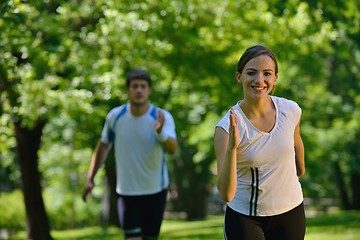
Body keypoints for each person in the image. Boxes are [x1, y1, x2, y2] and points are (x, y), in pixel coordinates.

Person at [214, 45, 306, 240]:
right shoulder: (225, 128)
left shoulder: (290, 110)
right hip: (246, 218)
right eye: (251, 73)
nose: (259, 80)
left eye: (267, 73)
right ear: (239, 76)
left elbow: (296, 144)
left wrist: (299, 169)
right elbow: (226, 194)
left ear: (275, 79)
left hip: (291, 211)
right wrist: (232, 148)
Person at [83, 69, 178, 240]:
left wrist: (161, 132)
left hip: (155, 190)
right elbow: (103, 146)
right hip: (127, 192)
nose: (139, 90)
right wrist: (91, 178)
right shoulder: (115, 116)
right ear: (128, 90)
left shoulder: (162, 117)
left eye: (143, 86)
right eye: (135, 86)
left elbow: (172, 149)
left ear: (149, 90)